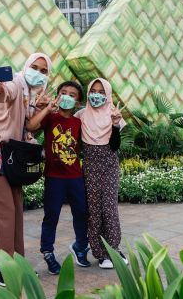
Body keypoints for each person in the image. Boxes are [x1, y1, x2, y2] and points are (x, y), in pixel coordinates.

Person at [0, 53, 52, 287]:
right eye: (34, 67)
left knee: (14, 210)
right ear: (26, 67)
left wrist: (39, 109)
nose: (38, 72)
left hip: (8, 158)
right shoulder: (16, 82)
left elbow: (26, 127)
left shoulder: (30, 95)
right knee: (1, 212)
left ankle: (16, 264)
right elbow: (4, 92)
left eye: (44, 71)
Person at [26, 81, 91, 274]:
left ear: (78, 101)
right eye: (64, 93)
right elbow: (31, 126)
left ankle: (80, 246)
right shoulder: (50, 118)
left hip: (75, 177)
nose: (67, 97)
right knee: (51, 216)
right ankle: (48, 251)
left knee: (81, 213)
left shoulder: (78, 122)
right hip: (54, 177)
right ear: (57, 95)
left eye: (72, 95)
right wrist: (46, 108)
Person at [75, 78, 127, 269]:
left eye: (101, 91)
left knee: (109, 209)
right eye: (93, 91)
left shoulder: (115, 114)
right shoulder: (80, 115)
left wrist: (114, 124)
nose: (96, 95)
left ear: (108, 94)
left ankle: (114, 249)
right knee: (94, 211)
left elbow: (115, 146)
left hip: (109, 166)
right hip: (90, 168)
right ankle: (100, 254)